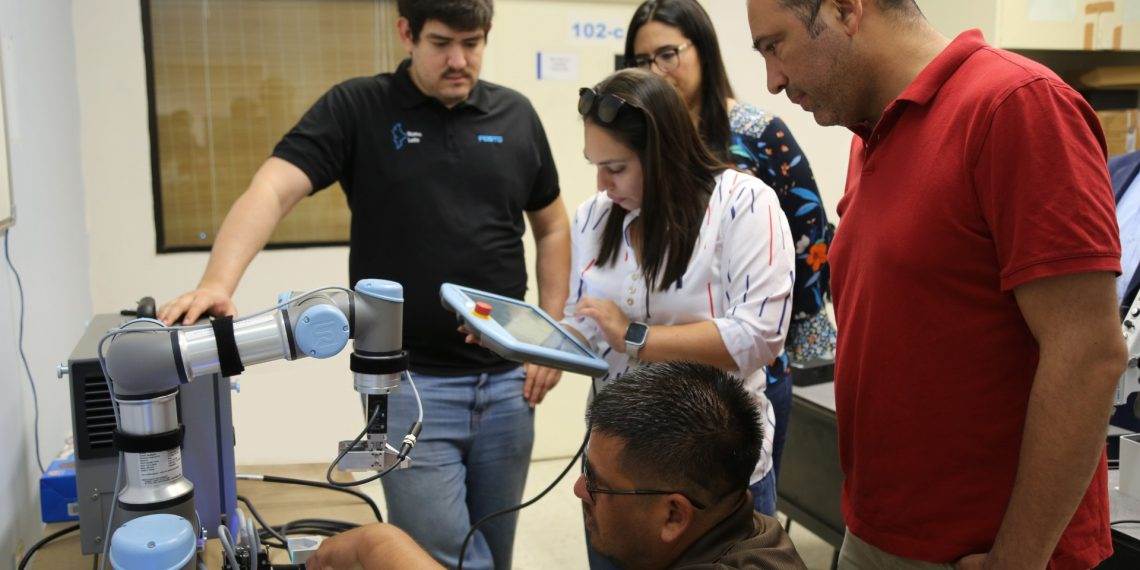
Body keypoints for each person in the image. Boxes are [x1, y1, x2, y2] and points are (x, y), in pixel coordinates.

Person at [156, 1, 571, 567]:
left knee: (493, 550)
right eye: (442, 42)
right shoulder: (359, 107)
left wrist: (548, 332)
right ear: (405, 32)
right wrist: (216, 281)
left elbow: (551, 226)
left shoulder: (516, 115)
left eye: (472, 43)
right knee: (439, 557)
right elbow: (274, 187)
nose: (459, 60)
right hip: (411, 388)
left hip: (508, 387)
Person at [744, 0, 1127, 568]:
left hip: (979, 551)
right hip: (878, 529)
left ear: (847, 11)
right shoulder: (869, 133)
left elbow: (1089, 354)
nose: (773, 80)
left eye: (775, 46)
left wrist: (1016, 560)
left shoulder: (1015, 106)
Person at [561, 64, 794, 527]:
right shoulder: (594, 216)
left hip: (714, 465)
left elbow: (759, 336)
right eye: (596, 167)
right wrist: (520, 337)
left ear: (663, 153)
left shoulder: (744, 204)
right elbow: (585, 322)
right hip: (619, 466)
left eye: (616, 168)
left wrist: (635, 336)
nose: (603, 186)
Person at [306, 362, 808, 570]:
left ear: (675, 515)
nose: (580, 492)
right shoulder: (732, 521)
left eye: (600, 486)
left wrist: (380, 544)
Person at [625, 0, 836, 493]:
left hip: (748, 365)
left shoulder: (757, 135)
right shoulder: (638, 142)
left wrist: (794, 329)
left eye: (668, 54)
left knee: (739, 511)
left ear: (704, 50)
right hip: (654, 363)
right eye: (640, 60)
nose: (655, 70)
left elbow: (811, 238)